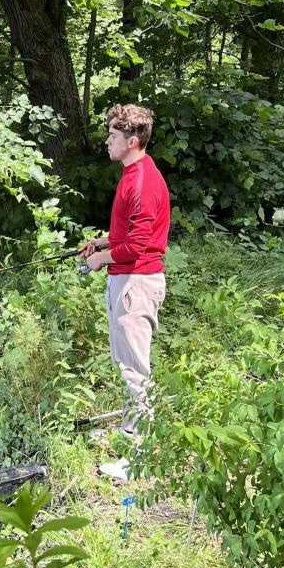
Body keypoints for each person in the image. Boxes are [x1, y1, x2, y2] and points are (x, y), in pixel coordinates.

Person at [78, 103, 170, 483]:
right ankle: (131, 433)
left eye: (113, 136)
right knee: (127, 364)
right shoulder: (133, 173)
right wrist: (101, 243)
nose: (106, 141)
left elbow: (140, 243)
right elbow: (127, 234)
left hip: (136, 283)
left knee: (136, 372)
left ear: (133, 141)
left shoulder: (144, 181)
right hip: (126, 279)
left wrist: (102, 259)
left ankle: (139, 459)